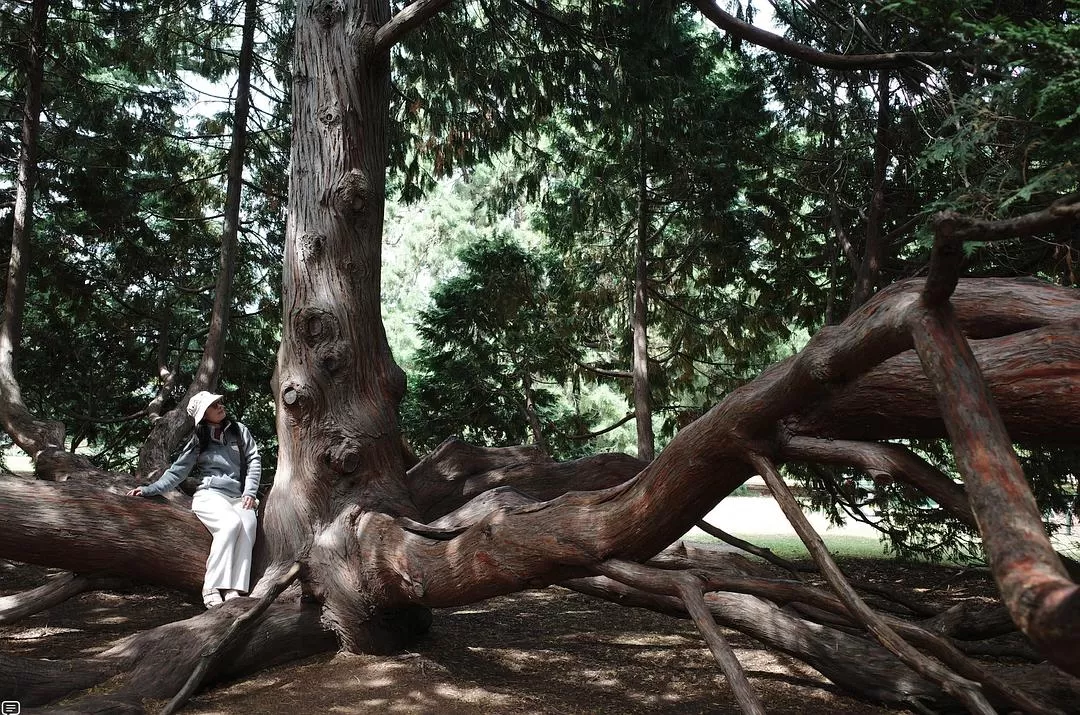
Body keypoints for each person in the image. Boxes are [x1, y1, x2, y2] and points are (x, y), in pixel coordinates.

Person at [128, 391, 262, 608]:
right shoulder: (199, 440)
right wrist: (149, 489)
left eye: (219, 402)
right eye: (213, 405)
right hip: (210, 495)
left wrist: (250, 492)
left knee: (248, 525)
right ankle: (211, 586)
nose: (220, 406)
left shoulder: (239, 430)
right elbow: (177, 472)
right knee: (230, 524)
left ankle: (233, 589)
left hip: (239, 496)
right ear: (204, 415)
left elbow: (254, 459)